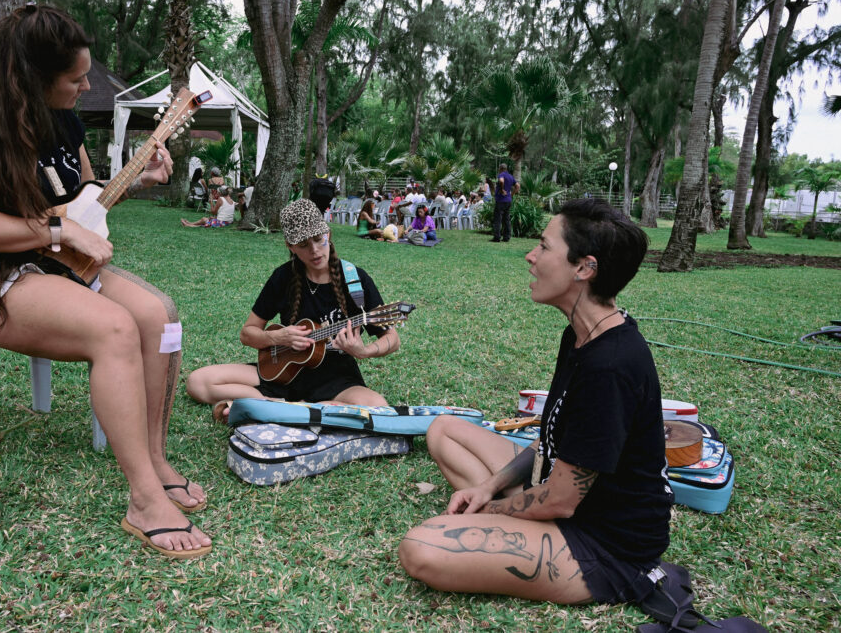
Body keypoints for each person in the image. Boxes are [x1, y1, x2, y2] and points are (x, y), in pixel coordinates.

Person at [0, 4, 211, 559]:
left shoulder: (65, 119)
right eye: (75, 78)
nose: (86, 86)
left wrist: (141, 181)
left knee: (161, 315)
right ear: (32, 80)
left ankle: (155, 460)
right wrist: (58, 230)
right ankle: (143, 499)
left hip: (57, 261)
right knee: (113, 329)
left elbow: (85, 202)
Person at [399, 199, 672, 605]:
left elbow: (562, 499)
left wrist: (486, 512)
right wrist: (489, 487)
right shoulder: (581, 335)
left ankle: (515, 518)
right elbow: (554, 438)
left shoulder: (611, 366)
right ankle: (514, 509)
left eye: (544, 247)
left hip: (605, 544)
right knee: (442, 429)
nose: (530, 256)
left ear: (584, 268)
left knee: (421, 548)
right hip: (562, 492)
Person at [186, 199, 400, 419]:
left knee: (377, 407)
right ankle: (284, 408)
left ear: (328, 234)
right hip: (282, 372)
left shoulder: (355, 280)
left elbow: (392, 338)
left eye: (319, 240)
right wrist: (279, 337)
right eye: (303, 245)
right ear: (290, 245)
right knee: (197, 382)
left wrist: (364, 351)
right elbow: (248, 333)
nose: (315, 251)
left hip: (336, 379)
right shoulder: (283, 277)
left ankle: (271, 408)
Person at [492, 163, 519, 242]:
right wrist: (512, 194)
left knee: (498, 219)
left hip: (501, 200)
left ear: (500, 168)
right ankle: (506, 237)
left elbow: (501, 181)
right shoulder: (511, 176)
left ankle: (497, 237)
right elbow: (518, 186)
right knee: (506, 219)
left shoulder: (501, 174)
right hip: (508, 201)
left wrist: (501, 190)